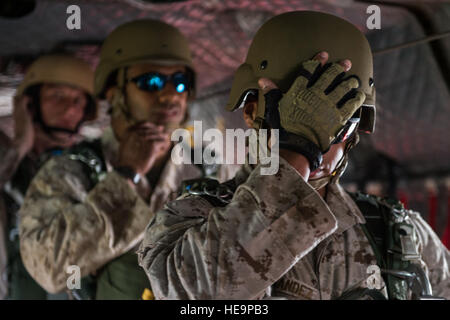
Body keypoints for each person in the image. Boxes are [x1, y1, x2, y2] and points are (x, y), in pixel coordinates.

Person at [137, 11, 450, 300]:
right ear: (251, 112)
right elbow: (201, 293)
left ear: (357, 130)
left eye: (336, 120)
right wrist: (296, 149)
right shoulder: (183, 222)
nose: (320, 140)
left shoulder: (402, 233)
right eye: (294, 117)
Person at [18, 19, 238, 300]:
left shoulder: (209, 168)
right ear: (115, 92)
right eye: (151, 81)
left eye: (180, 82)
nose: (170, 94)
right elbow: (49, 268)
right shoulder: (73, 169)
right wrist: (126, 175)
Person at [0, 54, 97, 299]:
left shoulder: (91, 163)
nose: (70, 108)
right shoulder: (11, 162)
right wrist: (20, 145)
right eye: (57, 96)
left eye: (78, 100)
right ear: (30, 104)